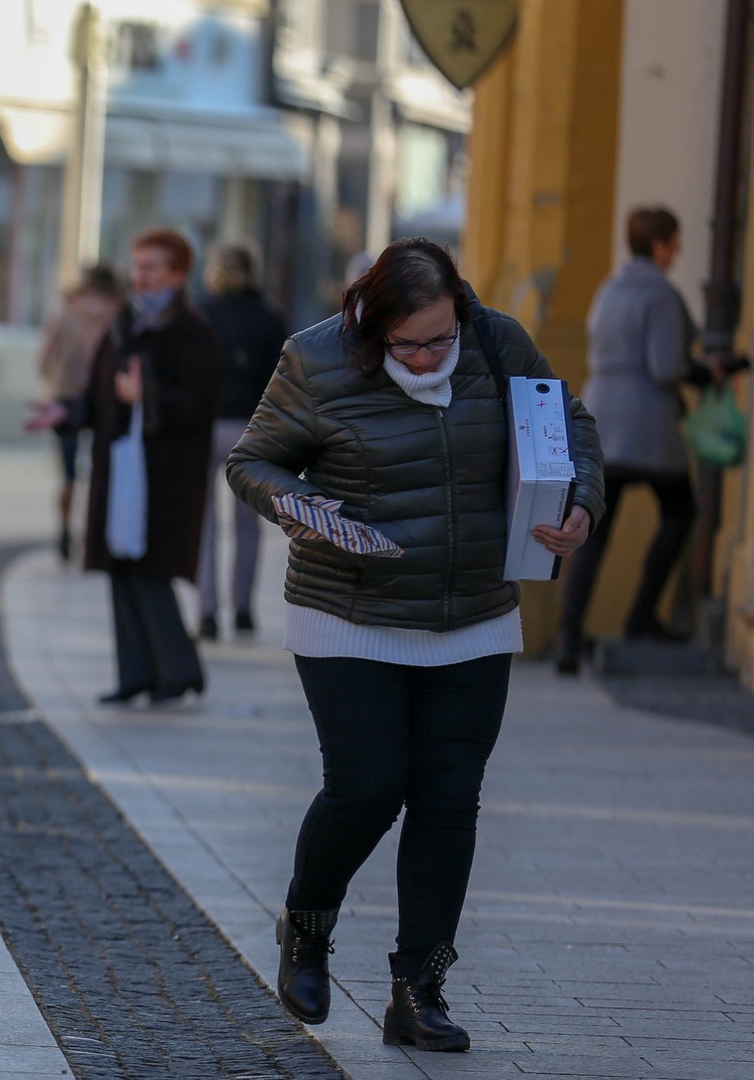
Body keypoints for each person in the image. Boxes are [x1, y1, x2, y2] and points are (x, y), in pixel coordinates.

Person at [227, 238, 605, 1051]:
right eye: (408, 345)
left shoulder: (496, 341)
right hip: (348, 609)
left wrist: (580, 499)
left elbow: (567, 422)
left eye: (441, 339)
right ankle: (307, 926)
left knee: (448, 799)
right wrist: (304, 510)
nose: (428, 357)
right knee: (366, 787)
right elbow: (252, 462)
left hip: (474, 610)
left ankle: (418, 991)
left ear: (460, 311)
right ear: (373, 324)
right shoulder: (316, 359)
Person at [34, 229, 223, 704]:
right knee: (121, 567)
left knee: (149, 570)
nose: (139, 275)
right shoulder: (124, 323)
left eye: (150, 267)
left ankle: (177, 670)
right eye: (136, 265)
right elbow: (99, 393)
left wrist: (147, 397)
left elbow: (201, 403)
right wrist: (66, 413)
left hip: (164, 476)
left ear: (178, 274)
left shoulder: (192, 331)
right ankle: (136, 674)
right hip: (119, 467)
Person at [555, 206, 708, 673]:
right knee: (681, 511)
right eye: (674, 242)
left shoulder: (610, 287)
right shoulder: (660, 294)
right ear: (660, 245)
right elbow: (666, 366)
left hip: (602, 420)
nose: (678, 250)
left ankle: (568, 639)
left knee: (592, 527)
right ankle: (642, 617)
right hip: (647, 424)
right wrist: (706, 374)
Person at [195, 244, 288, 639]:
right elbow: (281, 380)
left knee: (204, 523)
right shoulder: (270, 317)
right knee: (247, 522)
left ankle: (207, 612)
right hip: (252, 427)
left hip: (205, 425)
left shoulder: (200, 314)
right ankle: (244, 608)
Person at [36, 263, 123, 561]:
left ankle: (64, 528)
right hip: (106, 401)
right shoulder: (118, 314)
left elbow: (44, 359)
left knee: (68, 473)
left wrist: (57, 384)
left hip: (66, 399)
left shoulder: (66, 311)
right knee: (101, 470)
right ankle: (93, 533)